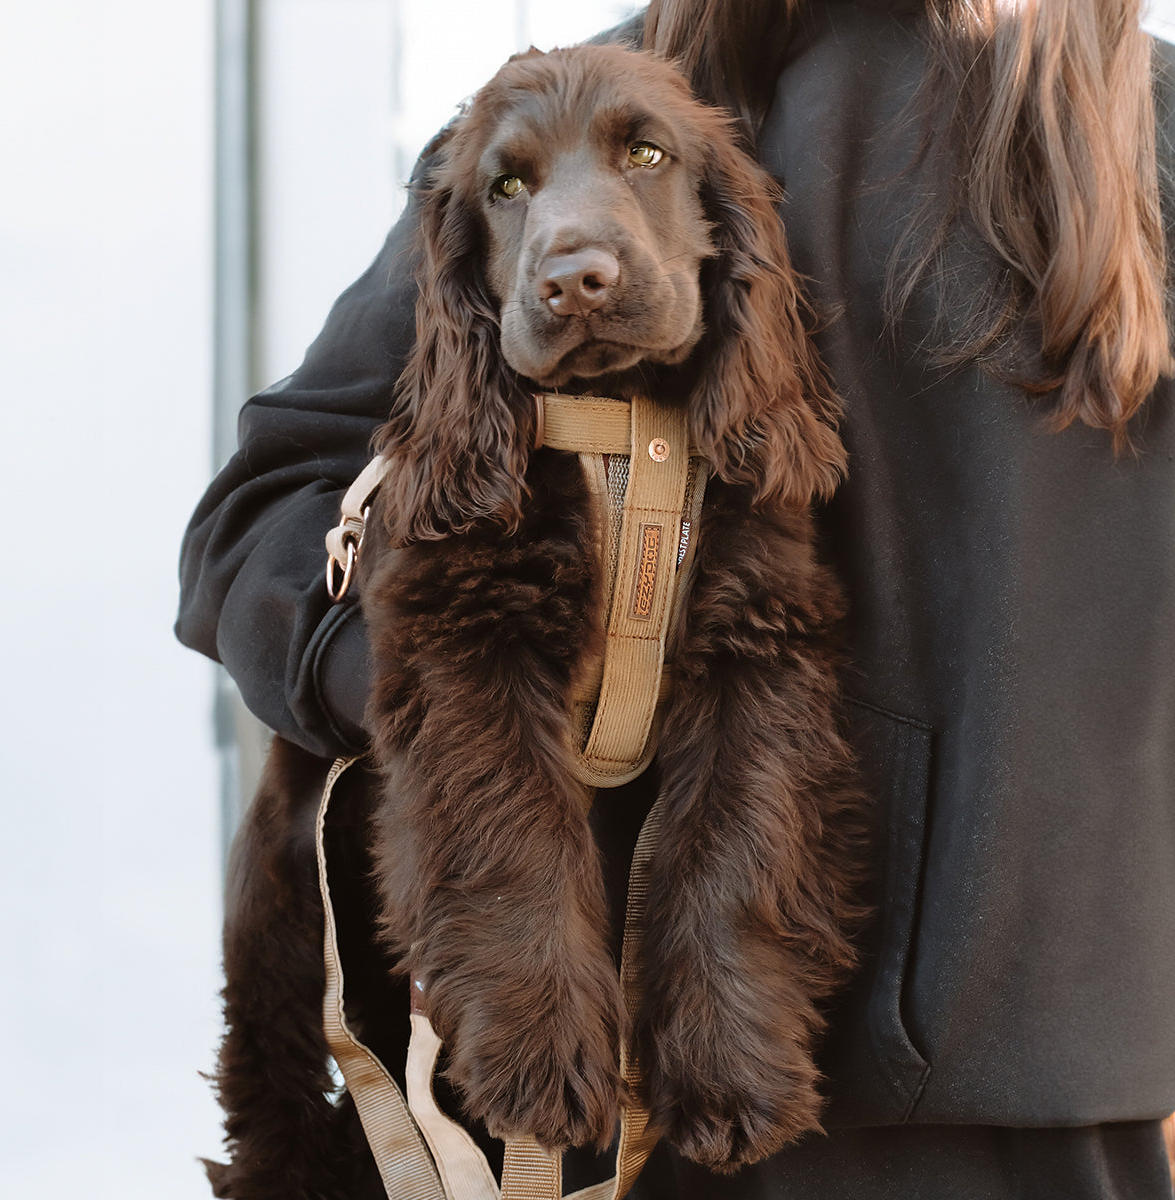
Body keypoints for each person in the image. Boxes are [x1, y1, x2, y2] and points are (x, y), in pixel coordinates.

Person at [176, 1, 1175, 1196]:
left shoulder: (1146, 127)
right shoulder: (627, 95)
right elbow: (260, 516)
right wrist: (440, 702)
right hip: (604, 1086)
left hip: (1054, 1086)